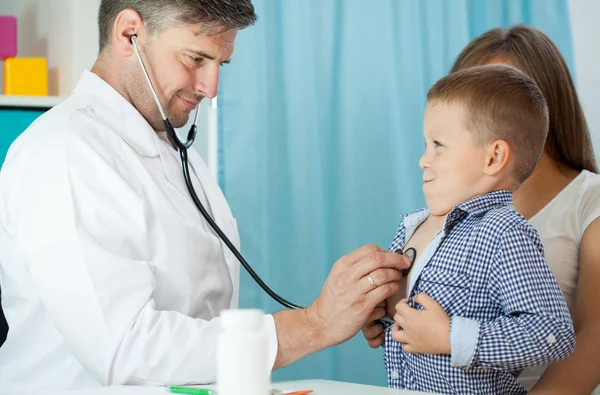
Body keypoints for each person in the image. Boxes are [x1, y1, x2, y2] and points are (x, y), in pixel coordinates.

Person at [0, 0, 410, 391]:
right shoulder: (66, 150)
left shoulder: (175, 153)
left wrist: (347, 308)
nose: (210, 88)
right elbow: (126, 350)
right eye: (195, 59)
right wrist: (314, 325)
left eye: (220, 65)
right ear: (129, 34)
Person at [364, 25, 600, 395]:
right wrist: (386, 312)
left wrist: (454, 338)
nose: (424, 161)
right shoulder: (436, 218)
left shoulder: (581, 204)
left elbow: (587, 338)